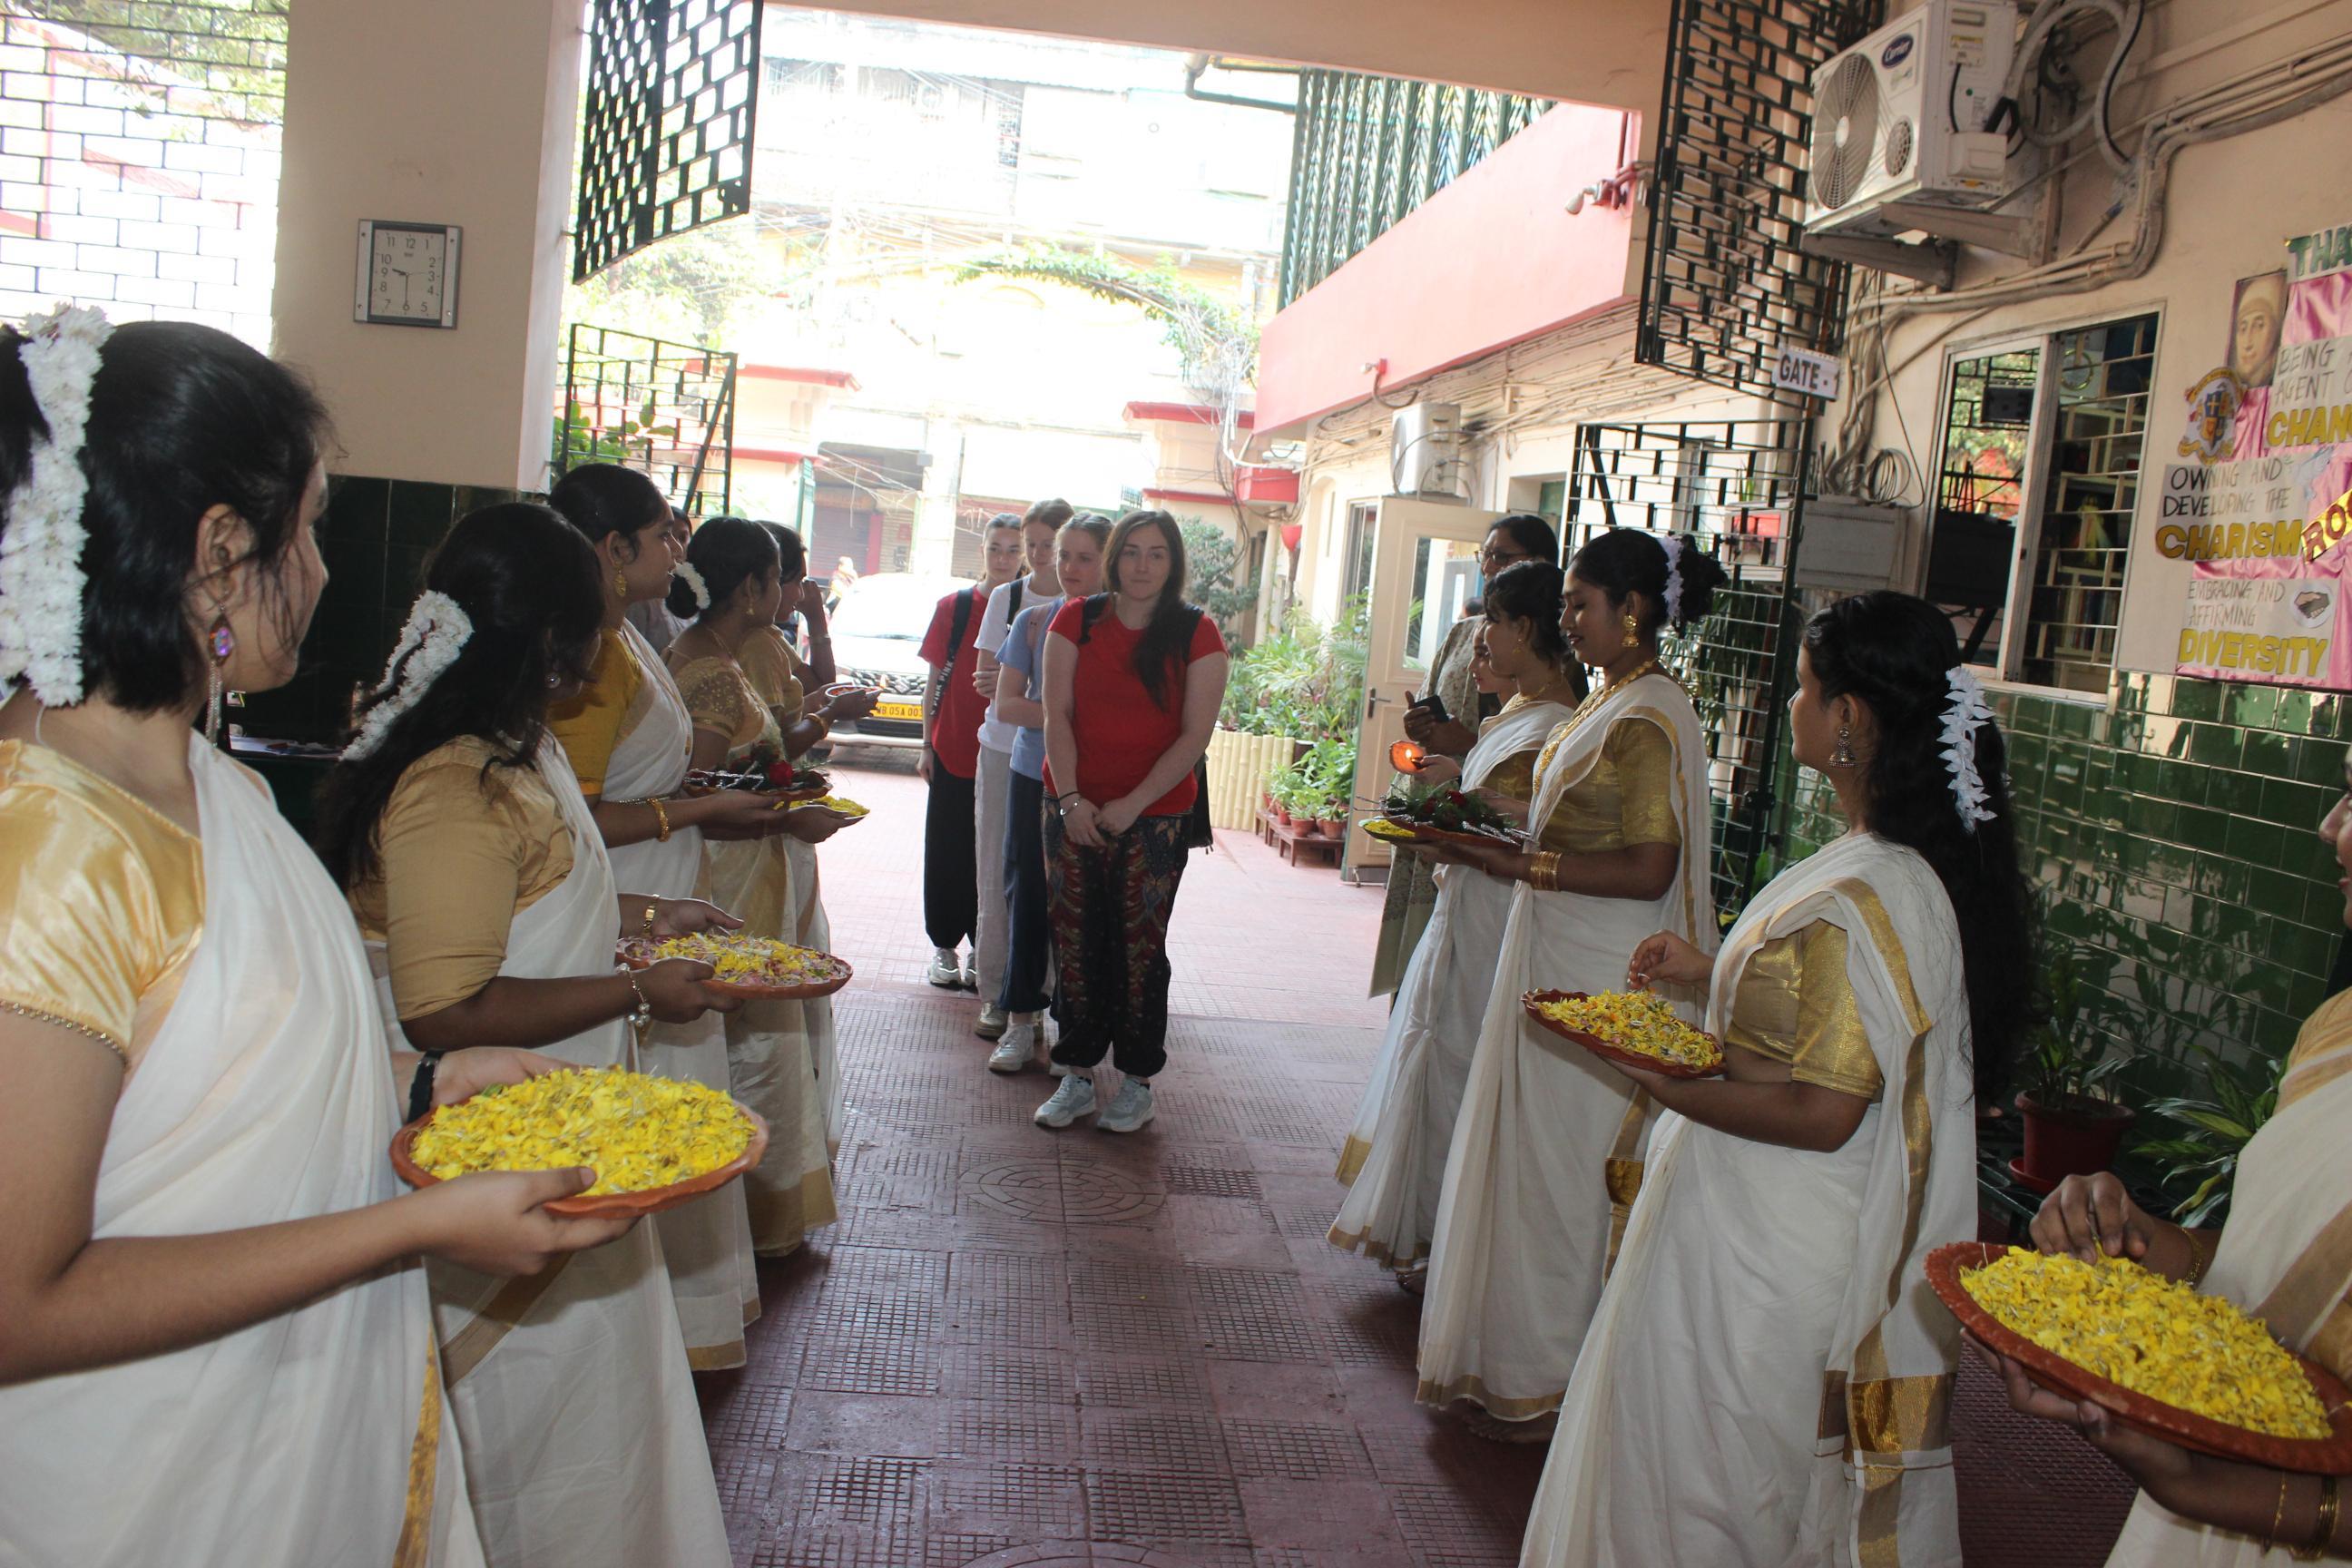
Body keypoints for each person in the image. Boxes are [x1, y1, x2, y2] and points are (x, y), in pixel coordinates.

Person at [0, 311, 622, 1566]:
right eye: (316, 524)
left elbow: (209, 1084)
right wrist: (415, 1227)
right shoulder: (53, 846)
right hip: (145, 1482)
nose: (330, 570)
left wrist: (434, 1082)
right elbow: (18, 1302)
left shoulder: (204, 784)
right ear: (222, 553)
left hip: (271, 1419)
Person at [1521, 590, 2034, 1568]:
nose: (1790, 707)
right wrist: (1708, 974)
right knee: (1712, 1465)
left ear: (1848, 719)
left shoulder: (1875, 886)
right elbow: (1832, 1025)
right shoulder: (1891, 868)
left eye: (1803, 689)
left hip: (1773, 1238)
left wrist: (1659, 1077)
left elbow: (1827, 1106)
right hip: (1765, 1217)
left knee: (1717, 1480)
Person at [318, 505, 737, 1567]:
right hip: (490, 1138)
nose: (608, 643)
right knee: (527, 1432)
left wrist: (652, 926)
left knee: (600, 1407)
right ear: (546, 639)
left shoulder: (519, 751)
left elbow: (551, 903)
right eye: (594, 622)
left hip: (561, 1118)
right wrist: (640, 994)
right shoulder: (456, 785)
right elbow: (447, 1012)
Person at [1981, 749, 2352, 1565]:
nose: (2331, 827)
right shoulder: (2338, 1031)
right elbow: (2259, 1266)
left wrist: (2238, 1494)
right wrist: (2150, 1243)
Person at [1414, 527, 1722, 1441]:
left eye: (1580, 605)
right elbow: (1567, 819)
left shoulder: (1649, 713)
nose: (1567, 622)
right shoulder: (1611, 700)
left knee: (1567, 1175)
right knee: (1532, 1160)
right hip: (1558, 945)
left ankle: (1554, 1378)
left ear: (1630, 611)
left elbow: (1648, 862)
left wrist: (1521, 869)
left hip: (1600, 963)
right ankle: (1519, 1362)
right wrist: (1489, 818)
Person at [547, 463, 774, 1367]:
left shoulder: (628, 637)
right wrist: (698, 810)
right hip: (621, 883)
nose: (680, 549)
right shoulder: (590, 655)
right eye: (664, 534)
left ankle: (683, 1312)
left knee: (682, 1096)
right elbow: (580, 811)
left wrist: (697, 790)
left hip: (655, 879)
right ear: (614, 551)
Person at [1328, 561, 1581, 1283]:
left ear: (1526, 630)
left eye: (1491, 629)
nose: (1480, 649)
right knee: (1437, 1050)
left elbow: (1543, 827)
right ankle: (1424, 1228)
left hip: (1501, 916)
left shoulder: (1558, 727)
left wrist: (1461, 818)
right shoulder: (1514, 719)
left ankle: (1449, 1236)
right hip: (1469, 905)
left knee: (1465, 1059)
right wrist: (1449, 785)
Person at [666, 517, 855, 1253]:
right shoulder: (711, 670)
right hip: (730, 875)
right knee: (745, 1037)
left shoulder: (719, 654)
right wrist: (782, 816)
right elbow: (696, 794)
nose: (784, 591)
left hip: (752, 865)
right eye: (776, 578)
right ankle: (742, 1208)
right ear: (749, 589)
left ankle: (756, 1203)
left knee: (755, 1035)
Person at [1032, 510, 1229, 1134]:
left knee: (1139, 948)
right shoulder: (1076, 619)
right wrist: (1071, 800)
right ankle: (1077, 1075)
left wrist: (1132, 804)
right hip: (1071, 808)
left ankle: (1138, 1080)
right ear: (1114, 558)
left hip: (1155, 816)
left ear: (1173, 566)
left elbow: (1194, 736)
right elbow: (1054, 717)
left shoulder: (1198, 632)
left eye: (1157, 555)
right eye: (1132, 553)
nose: (1142, 567)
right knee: (1075, 940)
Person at [1372, 512, 1568, 996]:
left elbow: (1530, 807)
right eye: (1487, 556)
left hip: (1491, 874)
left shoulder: (1556, 679)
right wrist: (1426, 733)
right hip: (1455, 840)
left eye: (1504, 556)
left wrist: (1465, 751)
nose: (1490, 566)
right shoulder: (1466, 631)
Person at [743, 520, 872, 1148]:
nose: (795, 593)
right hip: (749, 832)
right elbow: (766, 746)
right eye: (789, 581)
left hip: (779, 820)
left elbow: (818, 682)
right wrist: (826, 716)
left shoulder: (767, 641)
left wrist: (819, 620)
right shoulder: (730, 651)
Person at [985, 511, 1112, 1074]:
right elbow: (1006, 704)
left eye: (1085, 558)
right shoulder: (1034, 621)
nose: (1070, 568)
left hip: (1099, 784)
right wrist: (1067, 720)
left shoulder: (1120, 628)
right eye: (1065, 556)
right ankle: (1019, 1019)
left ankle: (1071, 1026)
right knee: (1028, 894)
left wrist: (1069, 723)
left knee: (1083, 905)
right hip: (1032, 773)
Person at [967, 498, 1072, 1041]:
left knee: (1055, 879)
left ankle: (1049, 990)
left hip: (1065, 760)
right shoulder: (1011, 599)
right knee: (998, 875)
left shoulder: (1089, 606)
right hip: (1006, 750)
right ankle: (995, 993)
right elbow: (988, 682)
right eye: (1030, 544)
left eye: (1045, 544)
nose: (1036, 555)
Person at [917, 514, 1024, 990]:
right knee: (946, 849)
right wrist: (926, 743)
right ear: (982, 551)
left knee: (996, 855)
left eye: (1013, 550)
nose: (1004, 559)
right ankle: (944, 948)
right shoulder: (956, 607)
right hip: (953, 746)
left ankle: (987, 948)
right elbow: (934, 679)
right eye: (996, 548)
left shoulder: (1031, 608)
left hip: (1005, 752)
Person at [623, 505, 692, 655]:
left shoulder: (690, 594)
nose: (678, 548)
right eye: (665, 536)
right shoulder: (638, 601)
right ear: (621, 547)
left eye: (683, 538)